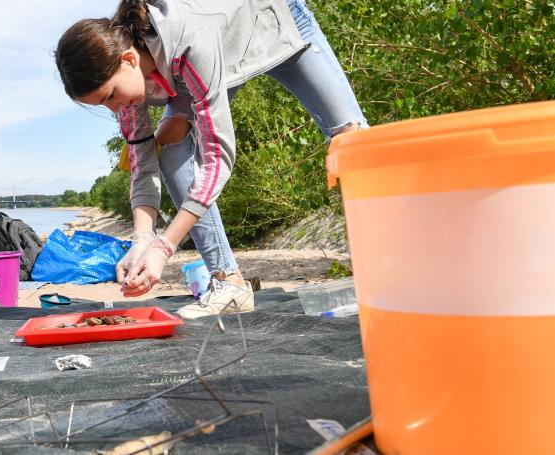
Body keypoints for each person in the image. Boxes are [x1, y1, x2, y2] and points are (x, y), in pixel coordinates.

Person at [55, 0, 368, 318]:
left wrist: (164, 248)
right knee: (172, 150)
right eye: (103, 104)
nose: (115, 109)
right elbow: (143, 165)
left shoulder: (190, 41)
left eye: (110, 95)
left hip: (273, 21)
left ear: (128, 59)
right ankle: (228, 282)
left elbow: (217, 161)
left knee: (352, 142)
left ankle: (381, 269)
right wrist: (141, 240)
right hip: (207, 56)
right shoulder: (126, 84)